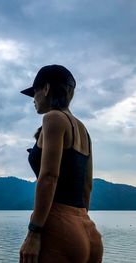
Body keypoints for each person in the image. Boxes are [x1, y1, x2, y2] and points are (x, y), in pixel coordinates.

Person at [18, 65, 103, 263]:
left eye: (35, 92)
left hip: (59, 228)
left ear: (46, 89)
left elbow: (49, 177)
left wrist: (34, 232)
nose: (33, 99)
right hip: (87, 230)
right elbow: (87, 186)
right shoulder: (83, 131)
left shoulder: (53, 118)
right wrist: (78, 227)